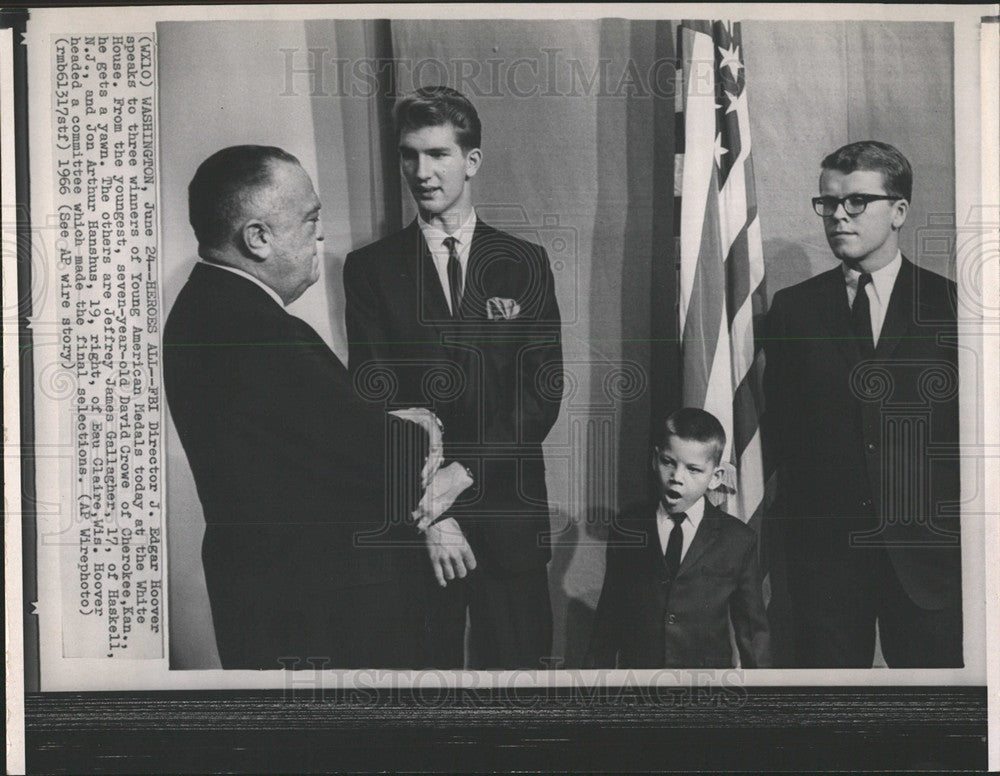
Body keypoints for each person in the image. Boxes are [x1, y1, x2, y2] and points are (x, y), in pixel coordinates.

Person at [164, 145, 470, 670]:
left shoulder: (209, 311)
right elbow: (386, 460)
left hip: (284, 606)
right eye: (310, 221)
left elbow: (326, 444)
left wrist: (389, 428)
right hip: (321, 619)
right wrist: (423, 424)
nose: (320, 237)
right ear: (258, 238)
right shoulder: (257, 333)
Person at [343, 87, 563, 669]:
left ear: (472, 161)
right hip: (421, 526)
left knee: (520, 689)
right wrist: (434, 515)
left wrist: (463, 474)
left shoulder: (526, 262)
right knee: (422, 693)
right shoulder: (370, 269)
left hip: (509, 518)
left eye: (438, 154)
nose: (421, 171)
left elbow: (542, 393)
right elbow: (376, 396)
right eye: (409, 155)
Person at [764, 140, 962, 668]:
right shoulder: (793, 311)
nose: (837, 217)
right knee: (829, 723)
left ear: (898, 211)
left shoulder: (953, 308)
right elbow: (777, 431)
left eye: (856, 203)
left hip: (928, 559)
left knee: (934, 727)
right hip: (824, 560)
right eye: (827, 203)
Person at [584, 408, 771, 669]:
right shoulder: (627, 528)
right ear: (654, 459)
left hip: (708, 691)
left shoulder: (737, 540)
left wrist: (763, 702)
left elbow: (752, 633)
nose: (676, 478)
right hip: (640, 688)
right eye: (668, 462)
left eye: (693, 469)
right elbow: (608, 620)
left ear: (715, 478)